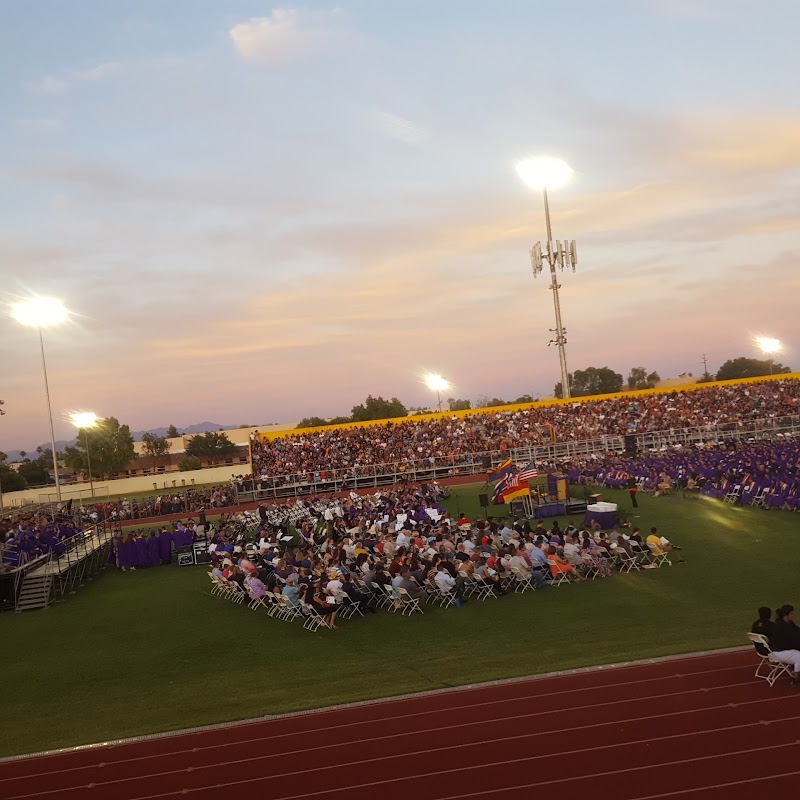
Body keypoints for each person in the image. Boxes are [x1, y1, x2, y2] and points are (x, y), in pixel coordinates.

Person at [770, 605, 800, 685]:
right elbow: (792, 642)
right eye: (791, 613)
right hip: (779, 651)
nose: (793, 615)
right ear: (786, 615)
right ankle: (795, 679)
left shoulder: (789, 623)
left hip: (786, 648)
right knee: (799, 657)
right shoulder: (782, 627)